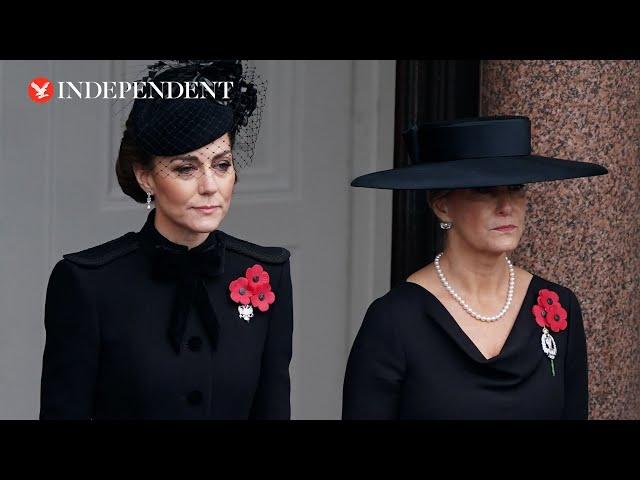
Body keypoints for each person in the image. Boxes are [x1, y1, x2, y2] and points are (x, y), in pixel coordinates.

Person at [40, 60, 293, 419]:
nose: (209, 186)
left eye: (222, 165)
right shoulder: (87, 283)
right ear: (145, 177)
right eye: (185, 168)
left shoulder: (268, 274)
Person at [343, 116, 607, 419]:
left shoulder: (558, 305)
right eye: (485, 190)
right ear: (442, 205)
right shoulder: (395, 319)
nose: (506, 206)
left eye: (516, 187)